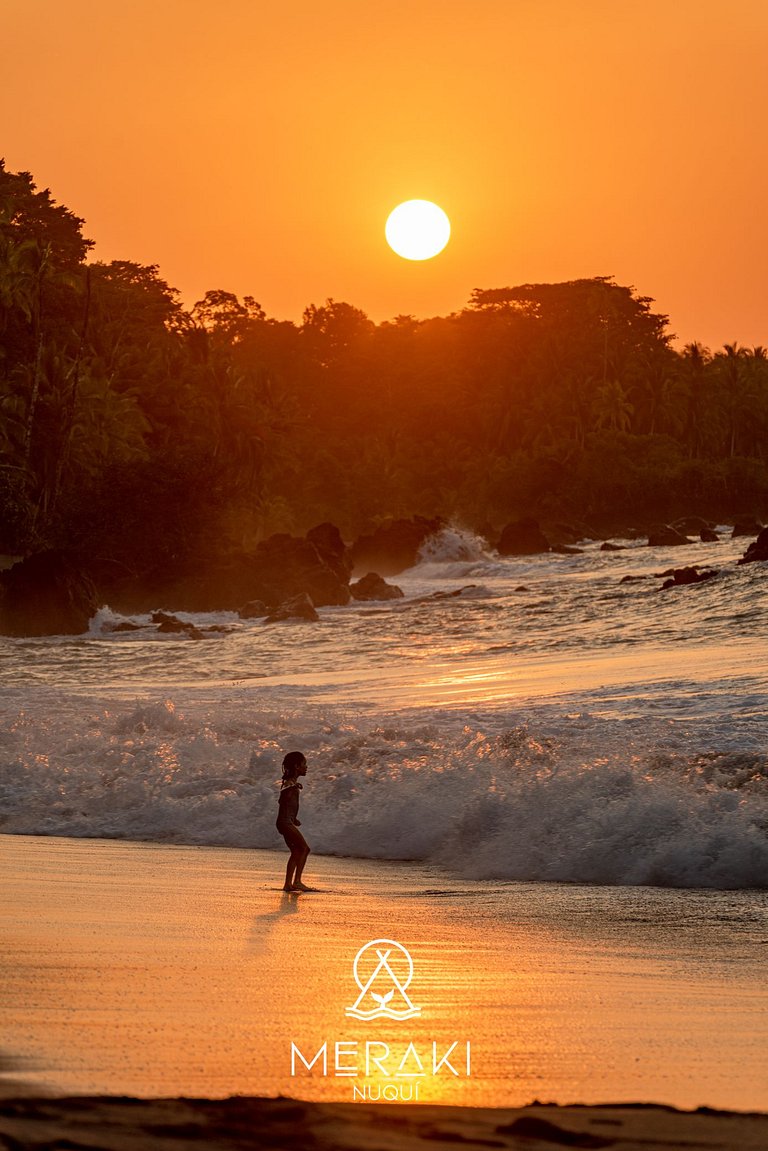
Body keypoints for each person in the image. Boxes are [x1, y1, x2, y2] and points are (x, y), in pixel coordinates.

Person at [276, 751, 311, 892]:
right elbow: (283, 798)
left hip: (286, 822)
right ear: (297, 766)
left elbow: (289, 804)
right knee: (305, 849)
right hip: (285, 823)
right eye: (304, 764)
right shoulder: (289, 785)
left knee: (296, 851)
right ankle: (297, 881)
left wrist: (294, 818)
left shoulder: (292, 784)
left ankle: (288, 884)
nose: (306, 767)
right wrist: (293, 787)